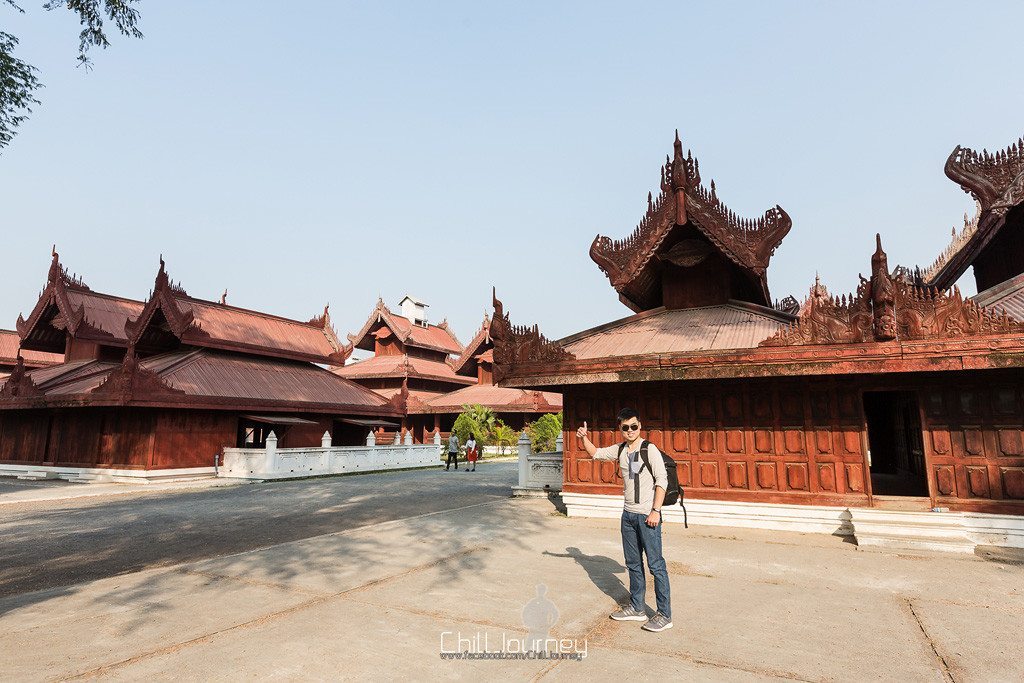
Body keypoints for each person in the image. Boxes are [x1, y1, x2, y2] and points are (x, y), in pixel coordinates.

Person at [576, 408, 672, 633]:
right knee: (633, 563)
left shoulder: (650, 449)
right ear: (620, 429)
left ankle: (664, 614)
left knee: (656, 565)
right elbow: (596, 454)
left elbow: (662, 481)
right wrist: (584, 438)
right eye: (625, 427)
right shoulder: (620, 450)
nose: (630, 431)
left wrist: (655, 511)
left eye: (634, 426)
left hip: (647, 515)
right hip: (627, 515)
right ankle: (637, 608)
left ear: (640, 426)